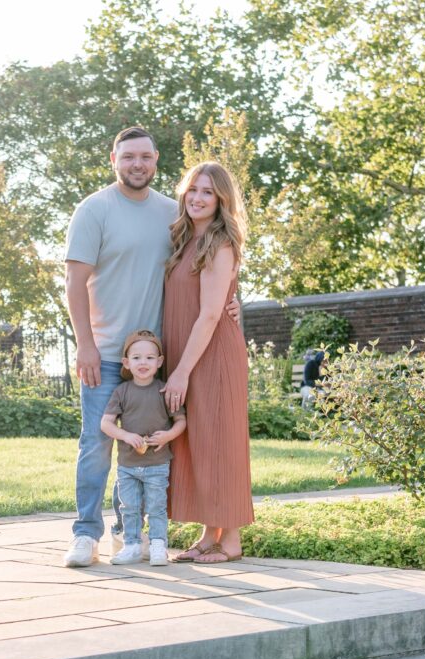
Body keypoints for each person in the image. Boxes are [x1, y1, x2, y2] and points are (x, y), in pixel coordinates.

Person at [62, 127, 239, 568]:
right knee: (97, 445)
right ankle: (86, 535)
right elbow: (74, 283)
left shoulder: (171, 214)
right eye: (128, 157)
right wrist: (84, 344)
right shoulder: (94, 210)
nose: (137, 164)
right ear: (114, 159)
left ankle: (132, 537)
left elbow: (209, 273)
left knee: (149, 447)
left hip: (157, 359)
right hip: (105, 354)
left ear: (156, 160)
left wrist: (234, 303)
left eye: (144, 156)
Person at [163, 161, 254, 564]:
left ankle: (231, 541)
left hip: (212, 356)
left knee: (220, 442)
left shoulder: (219, 243)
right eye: (193, 190)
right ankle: (208, 534)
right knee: (199, 442)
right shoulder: (184, 240)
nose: (197, 198)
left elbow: (212, 313)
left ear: (221, 201)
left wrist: (181, 371)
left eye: (207, 193)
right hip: (190, 352)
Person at [100, 330, 186, 566]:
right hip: (128, 465)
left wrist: (167, 436)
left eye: (150, 358)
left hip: (157, 464)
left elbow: (181, 421)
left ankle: (159, 546)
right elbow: (106, 423)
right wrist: (126, 435)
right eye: (136, 358)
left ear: (159, 362)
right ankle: (132, 546)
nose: (143, 363)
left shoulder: (164, 390)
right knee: (130, 508)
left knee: (157, 507)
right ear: (126, 362)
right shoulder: (122, 391)